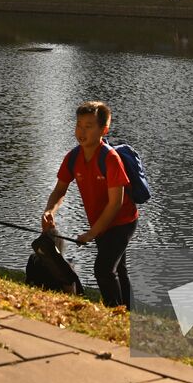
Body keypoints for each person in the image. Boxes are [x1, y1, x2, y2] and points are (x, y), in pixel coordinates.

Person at [42, 101, 138, 308]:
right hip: (101, 223)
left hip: (122, 221)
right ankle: (127, 314)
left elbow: (115, 204)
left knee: (103, 269)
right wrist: (50, 210)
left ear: (103, 130)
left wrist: (91, 233)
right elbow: (60, 190)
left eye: (88, 126)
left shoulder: (110, 159)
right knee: (118, 269)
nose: (81, 131)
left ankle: (115, 313)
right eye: (78, 125)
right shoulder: (73, 157)